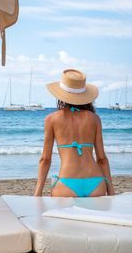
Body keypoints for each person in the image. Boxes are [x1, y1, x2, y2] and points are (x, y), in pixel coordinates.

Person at [34, 69, 115, 197]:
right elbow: (102, 159)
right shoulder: (94, 118)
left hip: (67, 185)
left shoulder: (51, 119)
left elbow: (45, 160)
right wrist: (111, 193)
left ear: (61, 95)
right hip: (96, 184)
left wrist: (37, 194)